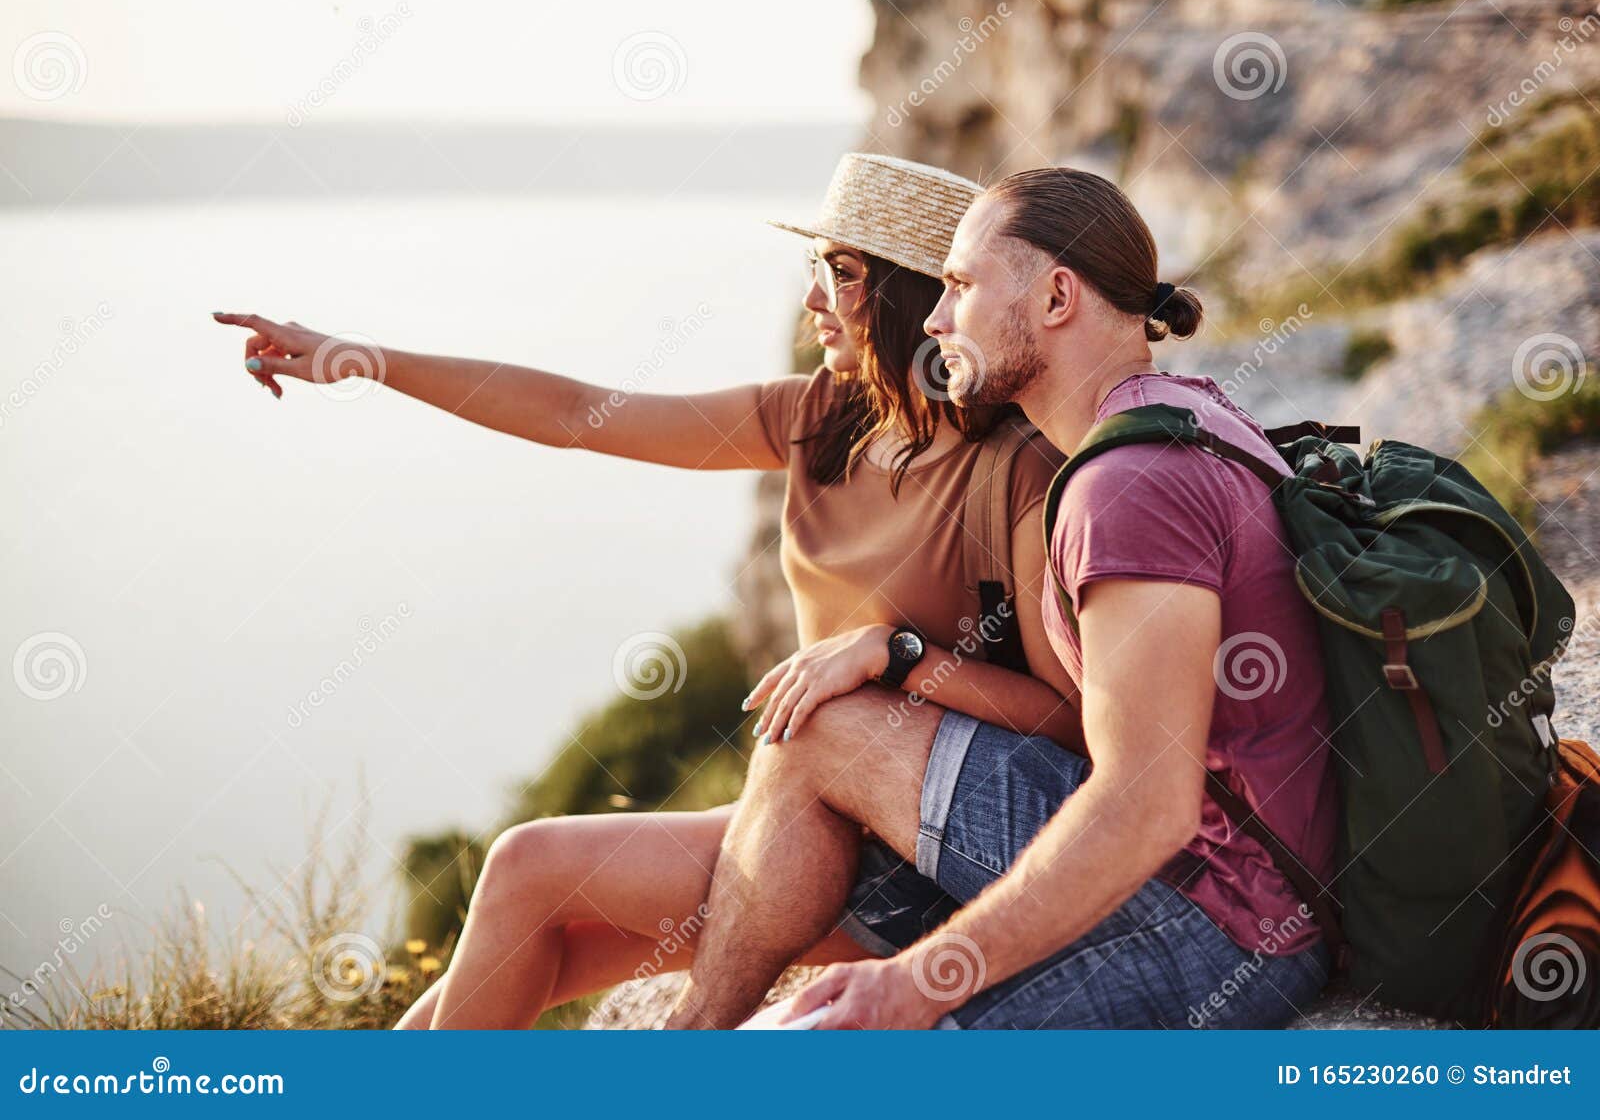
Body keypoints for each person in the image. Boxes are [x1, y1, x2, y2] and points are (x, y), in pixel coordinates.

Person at [211, 153, 1079, 1029]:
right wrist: (362, 360)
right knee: (525, 930)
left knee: (524, 870)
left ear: (916, 296)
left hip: (914, 849)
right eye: (813, 266)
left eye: (841, 272)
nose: (813, 296)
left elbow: (1070, 722)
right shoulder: (820, 418)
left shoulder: (1016, 471)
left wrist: (896, 659)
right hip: (799, 823)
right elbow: (578, 415)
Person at [664, 166, 1337, 1030]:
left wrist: (915, 982)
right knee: (824, 725)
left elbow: (1147, 804)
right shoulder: (1173, 413)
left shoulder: (1128, 486)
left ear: (1057, 297)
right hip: (1215, 865)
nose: (938, 321)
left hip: (1222, 921)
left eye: (960, 286)